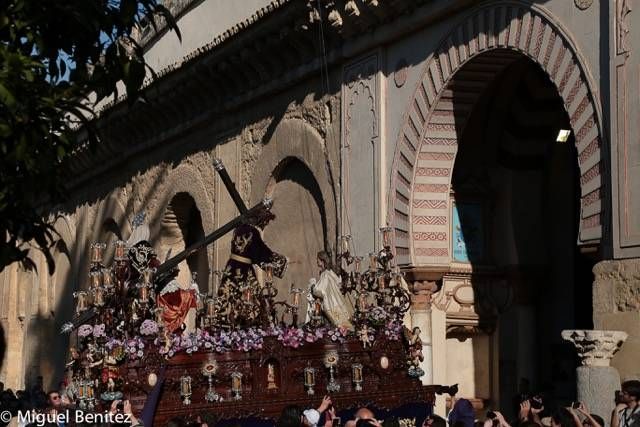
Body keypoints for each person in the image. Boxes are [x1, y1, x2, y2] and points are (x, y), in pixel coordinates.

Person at [306, 251, 353, 329]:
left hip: (330, 303)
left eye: (318, 259)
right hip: (334, 301)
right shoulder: (329, 273)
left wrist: (312, 286)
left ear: (322, 261)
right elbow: (338, 282)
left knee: (337, 323)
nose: (316, 260)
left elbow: (320, 291)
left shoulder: (325, 274)